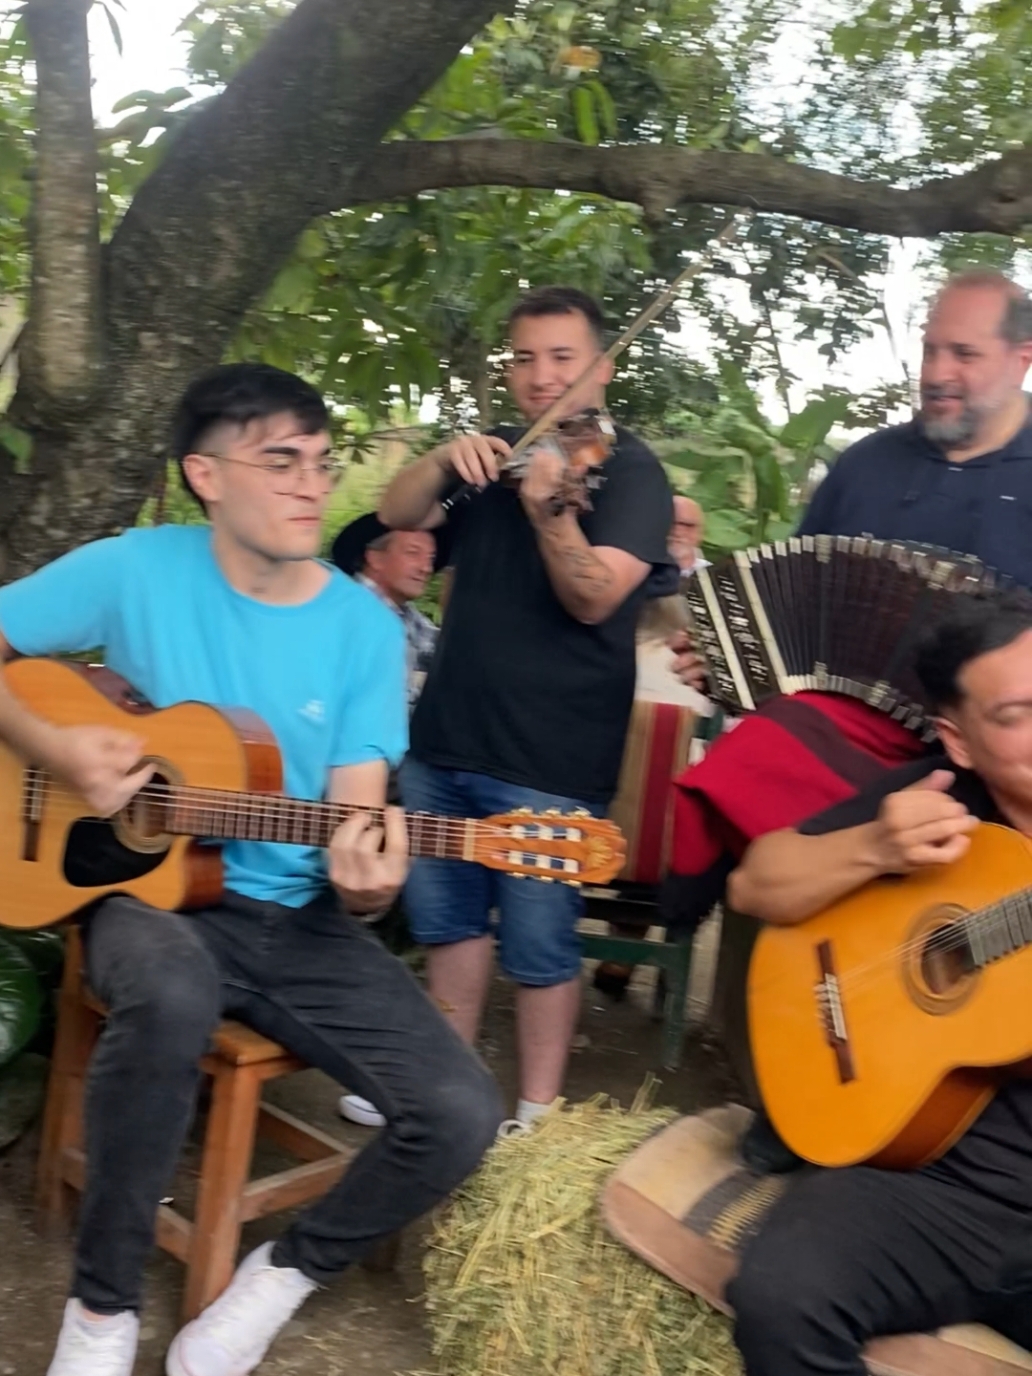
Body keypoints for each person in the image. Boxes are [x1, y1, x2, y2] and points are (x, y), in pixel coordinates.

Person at [0, 363, 502, 1376]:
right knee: (173, 989)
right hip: (154, 902)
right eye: (281, 461)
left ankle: (279, 1274)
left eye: (320, 462)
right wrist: (54, 749)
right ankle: (101, 1311)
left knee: (462, 1112)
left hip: (301, 921)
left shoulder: (362, 625)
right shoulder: (135, 568)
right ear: (206, 474)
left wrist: (369, 881)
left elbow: (359, 809)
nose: (313, 484)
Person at [378, 285, 675, 1128]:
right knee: (447, 926)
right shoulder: (493, 456)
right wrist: (443, 460)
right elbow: (397, 515)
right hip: (445, 743)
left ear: (602, 368)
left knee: (541, 947)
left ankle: (535, 1119)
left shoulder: (632, 474)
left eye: (562, 358)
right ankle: (445, 1092)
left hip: (548, 759)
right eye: (524, 358)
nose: (541, 377)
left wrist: (550, 514)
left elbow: (593, 599)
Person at [664, 269, 1032, 938]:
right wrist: (728, 662)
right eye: (930, 350)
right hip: (844, 755)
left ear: (1021, 358)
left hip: (993, 779)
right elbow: (796, 615)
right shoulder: (866, 465)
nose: (937, 371)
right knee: (744, 772)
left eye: (964, 354)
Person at [723, 590, 1032, 1376]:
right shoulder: (935, 800)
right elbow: (757, 884)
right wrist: (874, 846)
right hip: (935, 1185)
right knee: (780, 1297)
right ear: (959, 741)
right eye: (1017, 714)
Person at [331, 512, 449, 708]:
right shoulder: (352, 614)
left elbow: (448, 650)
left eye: (431, 558)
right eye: (413, 553)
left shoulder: (406, 616)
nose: (427, 568)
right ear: (375, 558)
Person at [667, 494, 709, 578]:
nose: (677, 532)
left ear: (701, 531)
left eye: (688, 525)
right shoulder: (636, 574)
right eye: (670, 523)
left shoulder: (718, 577)